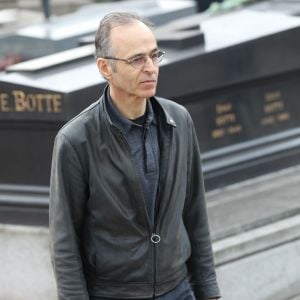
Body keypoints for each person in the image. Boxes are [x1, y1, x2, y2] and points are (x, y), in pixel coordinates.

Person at [49, 12, 220, 300]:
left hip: (178, 289)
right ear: (105, 67)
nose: (151, 68)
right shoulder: (76, 140)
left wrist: (209, 292)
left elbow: (195, 213)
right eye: (137, 59)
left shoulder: (179, 120)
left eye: (155, 56)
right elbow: (64, 242)